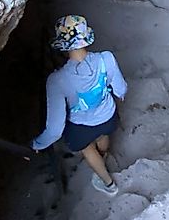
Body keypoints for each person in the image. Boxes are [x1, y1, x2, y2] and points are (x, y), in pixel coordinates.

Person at [30, 15, 126, 196]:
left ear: (62, 46)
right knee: (103, 134)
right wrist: (119, 94)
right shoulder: (106, 58)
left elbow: (55, 129)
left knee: (88, 149)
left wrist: (39, 143)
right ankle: (104, 155)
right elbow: (120, 88)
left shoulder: (57, 80)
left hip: (82, 127)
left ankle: (109, 184)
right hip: (109, 116)